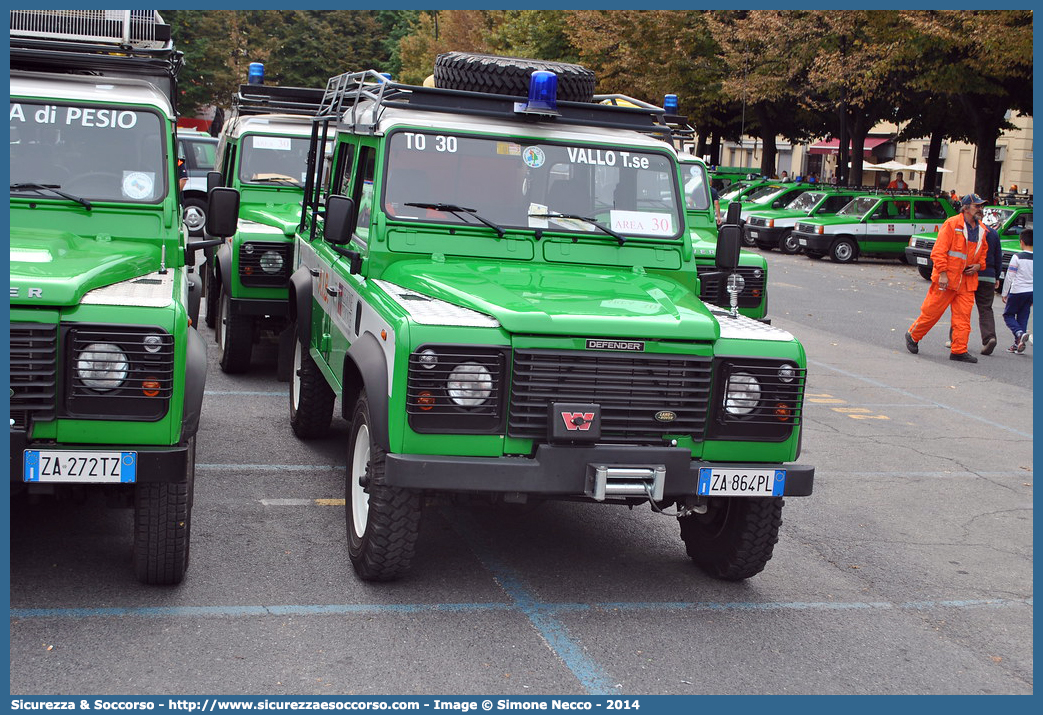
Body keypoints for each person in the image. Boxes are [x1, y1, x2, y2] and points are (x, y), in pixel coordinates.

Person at [905, 193, 989, 363]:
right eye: (977, 206)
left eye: (981, 206)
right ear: (966, 208)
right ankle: (913, 335)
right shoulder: (952, 224)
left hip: (966, 281)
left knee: (963, 318)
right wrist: (942, 273)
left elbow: (983, 253)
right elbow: (939, 251)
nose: (980, 209)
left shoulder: (981, 230)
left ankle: (959, 350)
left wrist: (979, 265)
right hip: (948, 278)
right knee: (931, 313)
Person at [1001, 228, 1033, 353]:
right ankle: (1018, 344)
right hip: (1031, 292)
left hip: (1017, 290)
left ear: (1021, 242)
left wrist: (1004, 293)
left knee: (1008, 315)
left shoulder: (1017, 257)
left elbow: (1009, 277)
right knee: (1023, 316)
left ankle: (1019, 334)